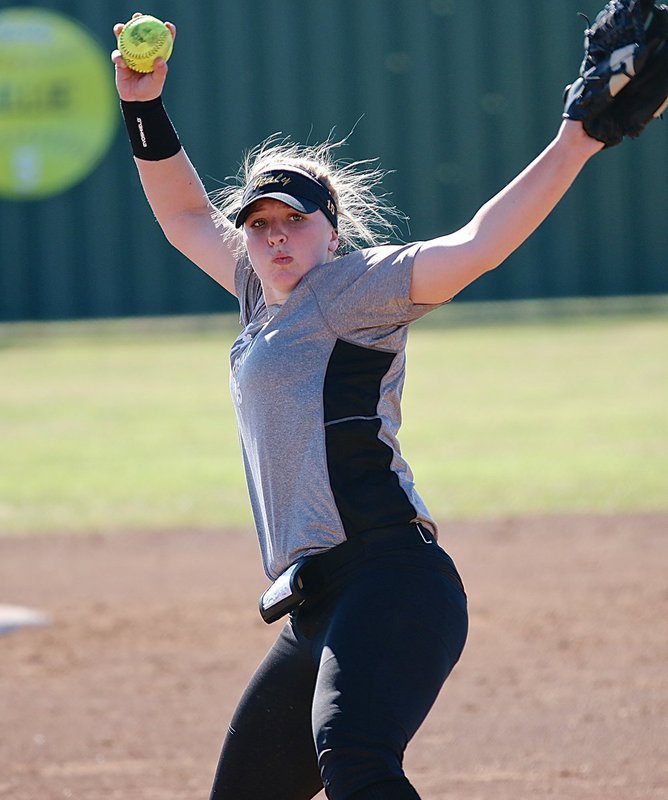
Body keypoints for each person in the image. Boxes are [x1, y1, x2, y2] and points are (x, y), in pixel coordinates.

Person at [111, 11, 623, 800]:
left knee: (354, 758)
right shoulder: (259, 296)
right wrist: (142, 105)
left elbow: (476, 246)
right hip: (319, 603)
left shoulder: (351, 290)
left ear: (332, 234)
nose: (275, 237)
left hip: (392, 580)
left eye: (294, 220)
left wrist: (576, 140)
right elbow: (183, 216)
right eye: (260, 224)